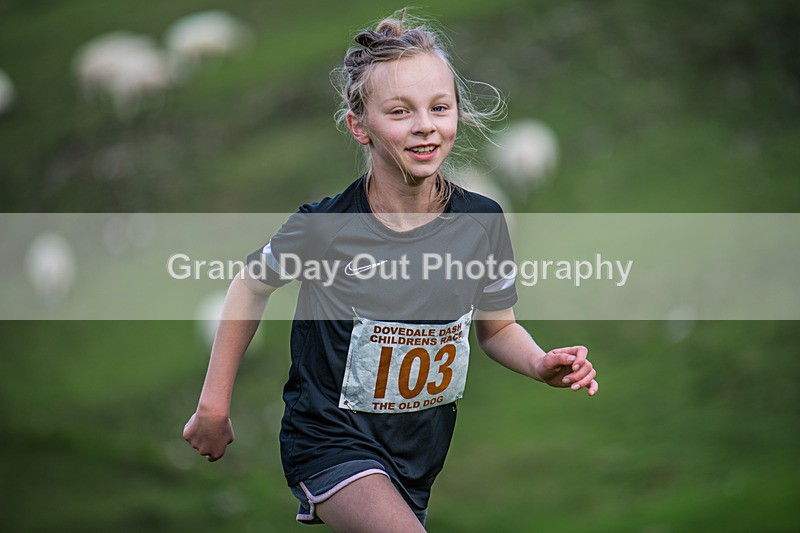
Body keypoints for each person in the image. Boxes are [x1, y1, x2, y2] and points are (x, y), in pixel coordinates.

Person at [183, 9, 598, 532]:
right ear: (360, 126)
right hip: (330, 444)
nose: (424, 125)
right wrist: (214, 405)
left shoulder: (483, 222)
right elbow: (250, 285)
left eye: (439, 107)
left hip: (416, 460)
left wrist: (539, 363)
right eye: (400, 111)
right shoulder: (324, 228)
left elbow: (497, 329)